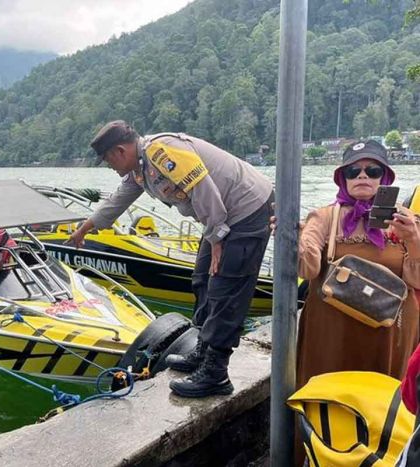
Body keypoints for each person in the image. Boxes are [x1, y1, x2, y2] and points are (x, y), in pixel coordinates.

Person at [67, 120, 274, 398]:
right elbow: (119, 199)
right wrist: (84, 229)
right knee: (202, 278)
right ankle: (202, 350)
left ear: (119, 151)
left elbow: (204, 190)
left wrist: (216, 240)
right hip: (222, 215)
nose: (110, 167)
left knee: (226, 287)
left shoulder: (162, 152)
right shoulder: (140, 168)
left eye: (108, 161)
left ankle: (216, 373)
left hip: (246, 209)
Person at [291, 141, 420, 466]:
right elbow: (307, 267)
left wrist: (414, 240)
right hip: (333, 336)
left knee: (384, 409)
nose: (363, 176)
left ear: (385, 178)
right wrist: (294, 238)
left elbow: (417, 281)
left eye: (372, 170)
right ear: (342, 178)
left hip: (390, 334)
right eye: (354, 171)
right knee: (326, 404)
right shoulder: (324, 216)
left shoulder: (404, 222)